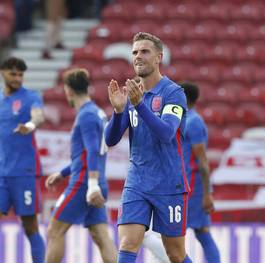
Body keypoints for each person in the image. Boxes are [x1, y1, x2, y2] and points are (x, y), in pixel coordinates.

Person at [104, 32, 192, 263]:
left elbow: (166, 133)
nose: (138, 56)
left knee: (175, 253)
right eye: (134, 52)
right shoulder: (131, 95)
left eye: (144, 51)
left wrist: (139, 105)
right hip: (137, 181)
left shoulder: (173, 93)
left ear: (158, 57)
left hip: (169, 183)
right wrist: (118, 111)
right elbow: (110, 139)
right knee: (127, 243)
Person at [44, 68, 117, 263]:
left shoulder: (86, 115)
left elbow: (92, 150)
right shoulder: (97, 113)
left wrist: (91, 185)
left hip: (84, 184)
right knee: (101, 235)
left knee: (55, 230)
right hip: (96, 180)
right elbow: (86, 153)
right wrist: (63, 172)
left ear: (69, 90)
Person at [0, 57, 46, 262]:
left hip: (24, 172)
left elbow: (38, 116)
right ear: (2, 72)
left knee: (30, 227)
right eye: (13, 73)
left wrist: (29, 125)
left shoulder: (30, 97)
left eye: (21, 74)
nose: (18, 78)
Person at [180, 82, 220, 263]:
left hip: (192, 187)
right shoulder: (181, 119)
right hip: (183, 184)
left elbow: (202, 161)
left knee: (197, 232)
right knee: (200, 232)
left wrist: (207, 194)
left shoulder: (193, 122)